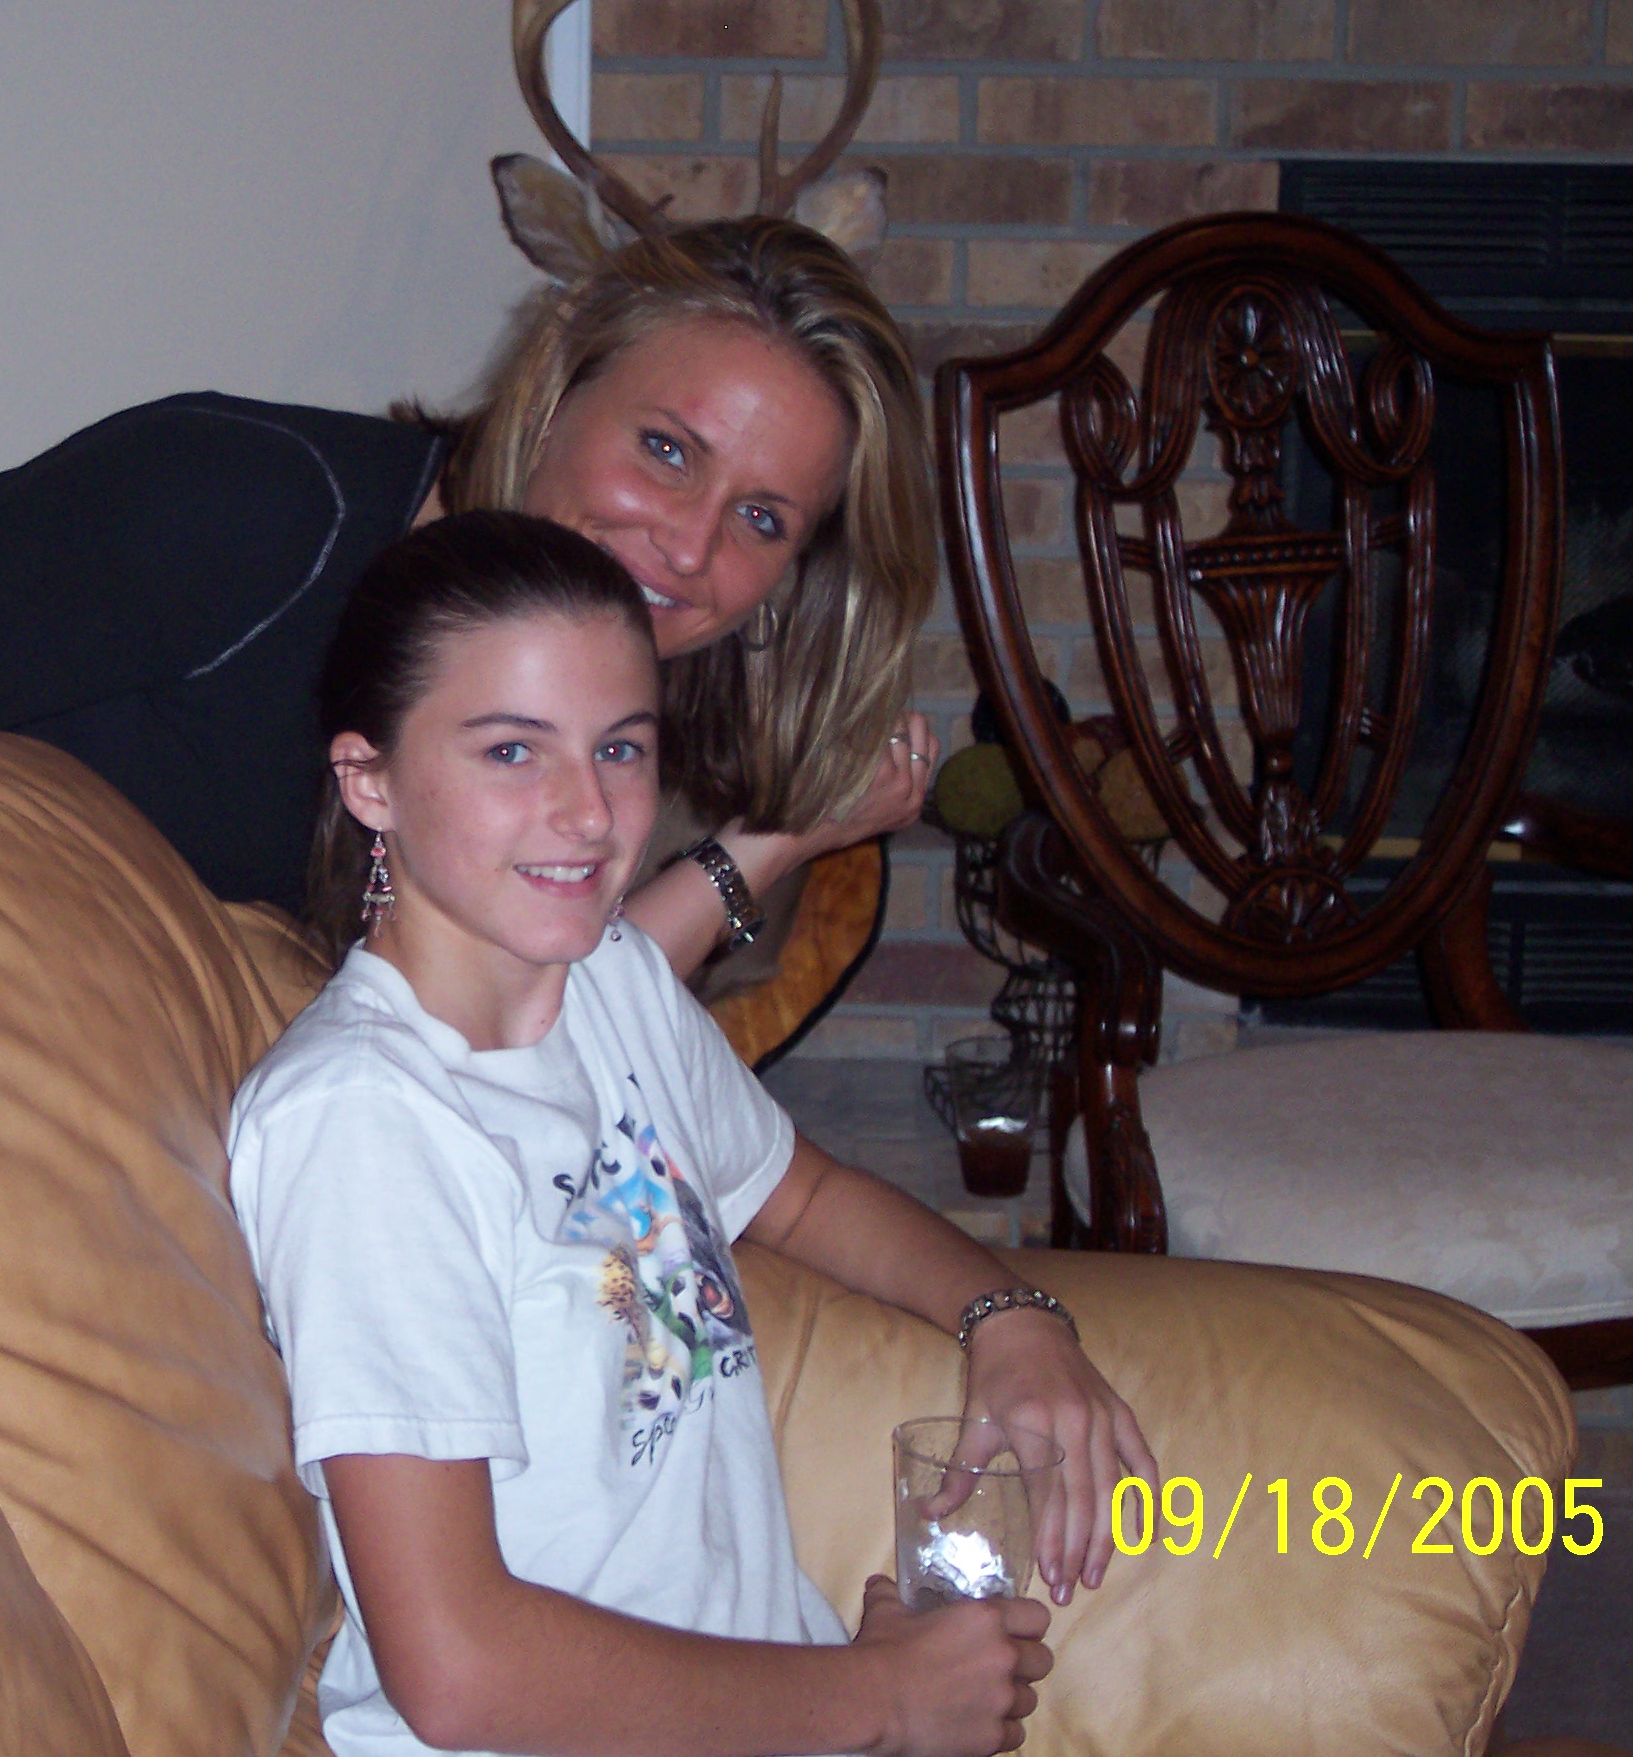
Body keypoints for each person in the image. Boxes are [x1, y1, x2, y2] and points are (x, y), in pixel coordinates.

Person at [0, 216, 941, 1002]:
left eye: (761, 519)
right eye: (664, 448)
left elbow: (545, 1020)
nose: (687, 543)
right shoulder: (256, 506)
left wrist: (778, 843)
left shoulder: (570, 716)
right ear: (561, 385)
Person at [227, 512, 1154, 1757]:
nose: (587, 813)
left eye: (620, 747)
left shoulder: (612, 988)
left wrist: (1013, 1320)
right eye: (512, 750)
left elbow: (804, 1197)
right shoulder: (364, 1122)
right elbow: (454, 1665)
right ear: (369, 781)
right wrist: (883, 1701)